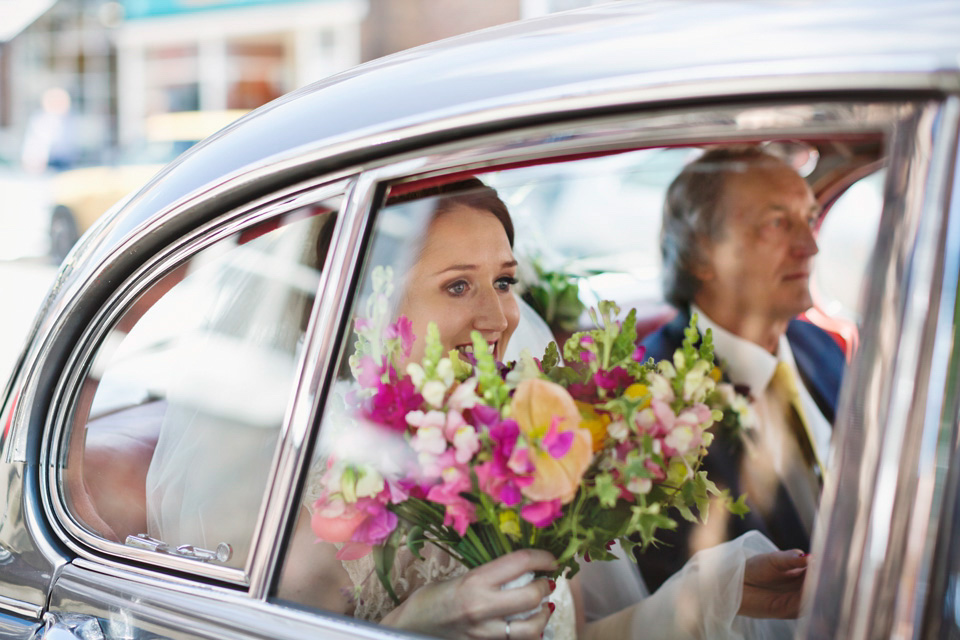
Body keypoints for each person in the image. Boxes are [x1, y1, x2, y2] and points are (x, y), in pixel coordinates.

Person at [278, 178, 809, 640]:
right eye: (458, 285)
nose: (498, 318)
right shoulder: (316, 513)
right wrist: (406, 631)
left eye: (503, 282)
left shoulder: (525, 446)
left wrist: (704, 599)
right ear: (370, 308)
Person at [636, 146, 846, 592]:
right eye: (776, 223)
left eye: (808, 219)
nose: (810, 246)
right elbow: (676, 587)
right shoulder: (649, 397)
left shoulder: (820, 346)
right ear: (699, 254)